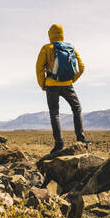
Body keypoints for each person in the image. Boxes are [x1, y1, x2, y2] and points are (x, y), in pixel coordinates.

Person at [36, 24, 89, 153]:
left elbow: (39, 68)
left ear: (50, 35)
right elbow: (81, 67)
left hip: (51, 85)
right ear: (62, 34)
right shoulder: (70, 48)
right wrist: (70, 80)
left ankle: (59, 144)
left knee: (54, 113)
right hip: (67, 85)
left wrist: (43, 84)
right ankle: (81, 139)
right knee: (76, 108)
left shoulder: (46, 48)